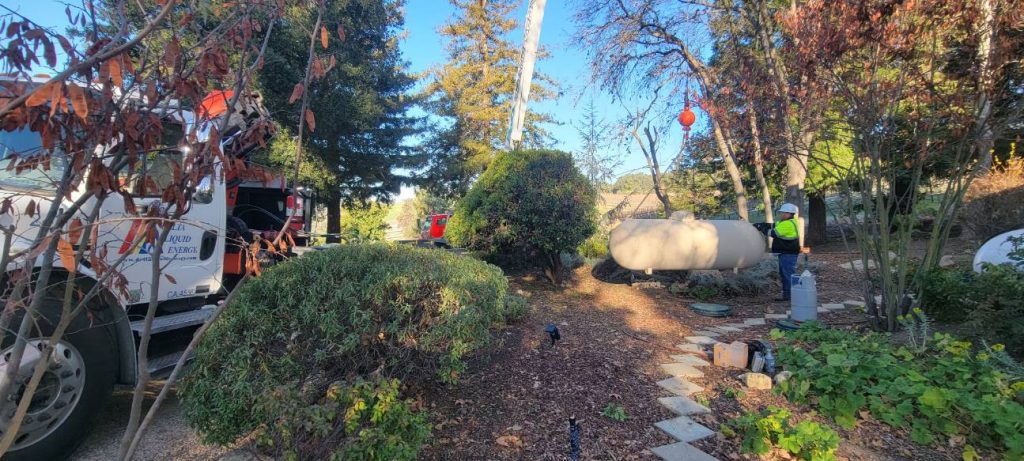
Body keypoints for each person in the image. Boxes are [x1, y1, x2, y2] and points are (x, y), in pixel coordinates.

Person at [769, 203, 802, 301]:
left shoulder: (788, 224)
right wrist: (767, 225)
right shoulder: (791, 222)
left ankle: (790, 296)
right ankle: (788, 295)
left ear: (789, 214)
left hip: (787, 253)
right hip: (787, 252)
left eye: (783, 213)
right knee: (786, 274)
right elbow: (777, 225)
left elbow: (774, 233)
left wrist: (763, 229)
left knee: (787, 275)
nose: (781, 214)